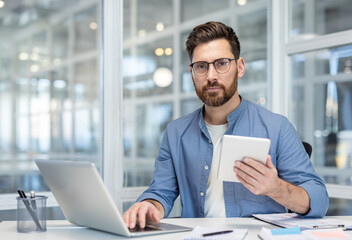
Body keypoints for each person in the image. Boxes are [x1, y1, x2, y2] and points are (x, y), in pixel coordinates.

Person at [123, 21, 329, 229]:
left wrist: (276, 188)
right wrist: (149, 205)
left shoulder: (277, 128)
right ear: (193, 72)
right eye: (201, 66)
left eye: (221, 63)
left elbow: (319, 199)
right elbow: (161, 192)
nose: (211, 76)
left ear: (239, 67)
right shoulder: (176, 132)